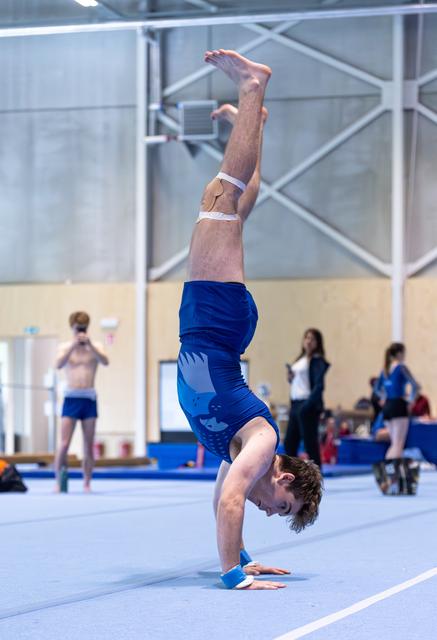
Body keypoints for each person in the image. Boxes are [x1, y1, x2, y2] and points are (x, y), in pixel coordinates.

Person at [177, 49, 322, 591]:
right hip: (214, 327)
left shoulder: (246, 451)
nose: (273, 511)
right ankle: (253, 87)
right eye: (285, 506)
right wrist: (234, 574)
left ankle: (250, 124)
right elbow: (237, 497)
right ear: (282, 477)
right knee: (221, 198)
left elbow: (222, 499)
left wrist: (244, 555)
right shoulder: (261, 445)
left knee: (231, 210)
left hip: (214, 326)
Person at [54, 311, 109, 492]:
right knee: (63, 444)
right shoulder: (65, 347)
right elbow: (58, 364)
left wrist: (90, 344)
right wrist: (73, 346)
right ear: (72, 328)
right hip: (71, 398)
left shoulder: (96, 346)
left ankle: (86, 482)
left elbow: (105, 362)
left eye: (83, 328)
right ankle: (58, 481)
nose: (81, 332)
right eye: (78, 328)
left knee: (88, 443)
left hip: (89, 399)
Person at [372, 342, 421, 495]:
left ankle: (387, 478)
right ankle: (391, 479)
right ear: (399, 353)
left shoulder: (384, 370)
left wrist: (383, 398)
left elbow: (376, 389)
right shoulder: (401, 367)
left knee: (394, 443)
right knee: (398, 444)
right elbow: (416, 385)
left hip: (387, 408)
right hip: (399, 405)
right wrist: (411, 401)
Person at [284, 329, 330, 468]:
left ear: (318, 343)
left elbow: (319, 386)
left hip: (306, 405)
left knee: (310, 444)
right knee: (289, 443)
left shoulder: (317, 360)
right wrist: (290, 378)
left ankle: (317, 479)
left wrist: (308, 405)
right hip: (295, 404)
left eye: (312, 339)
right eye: (307, 338)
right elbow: (299, 382)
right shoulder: (300, 359)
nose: (309, 341)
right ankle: (294, 476)